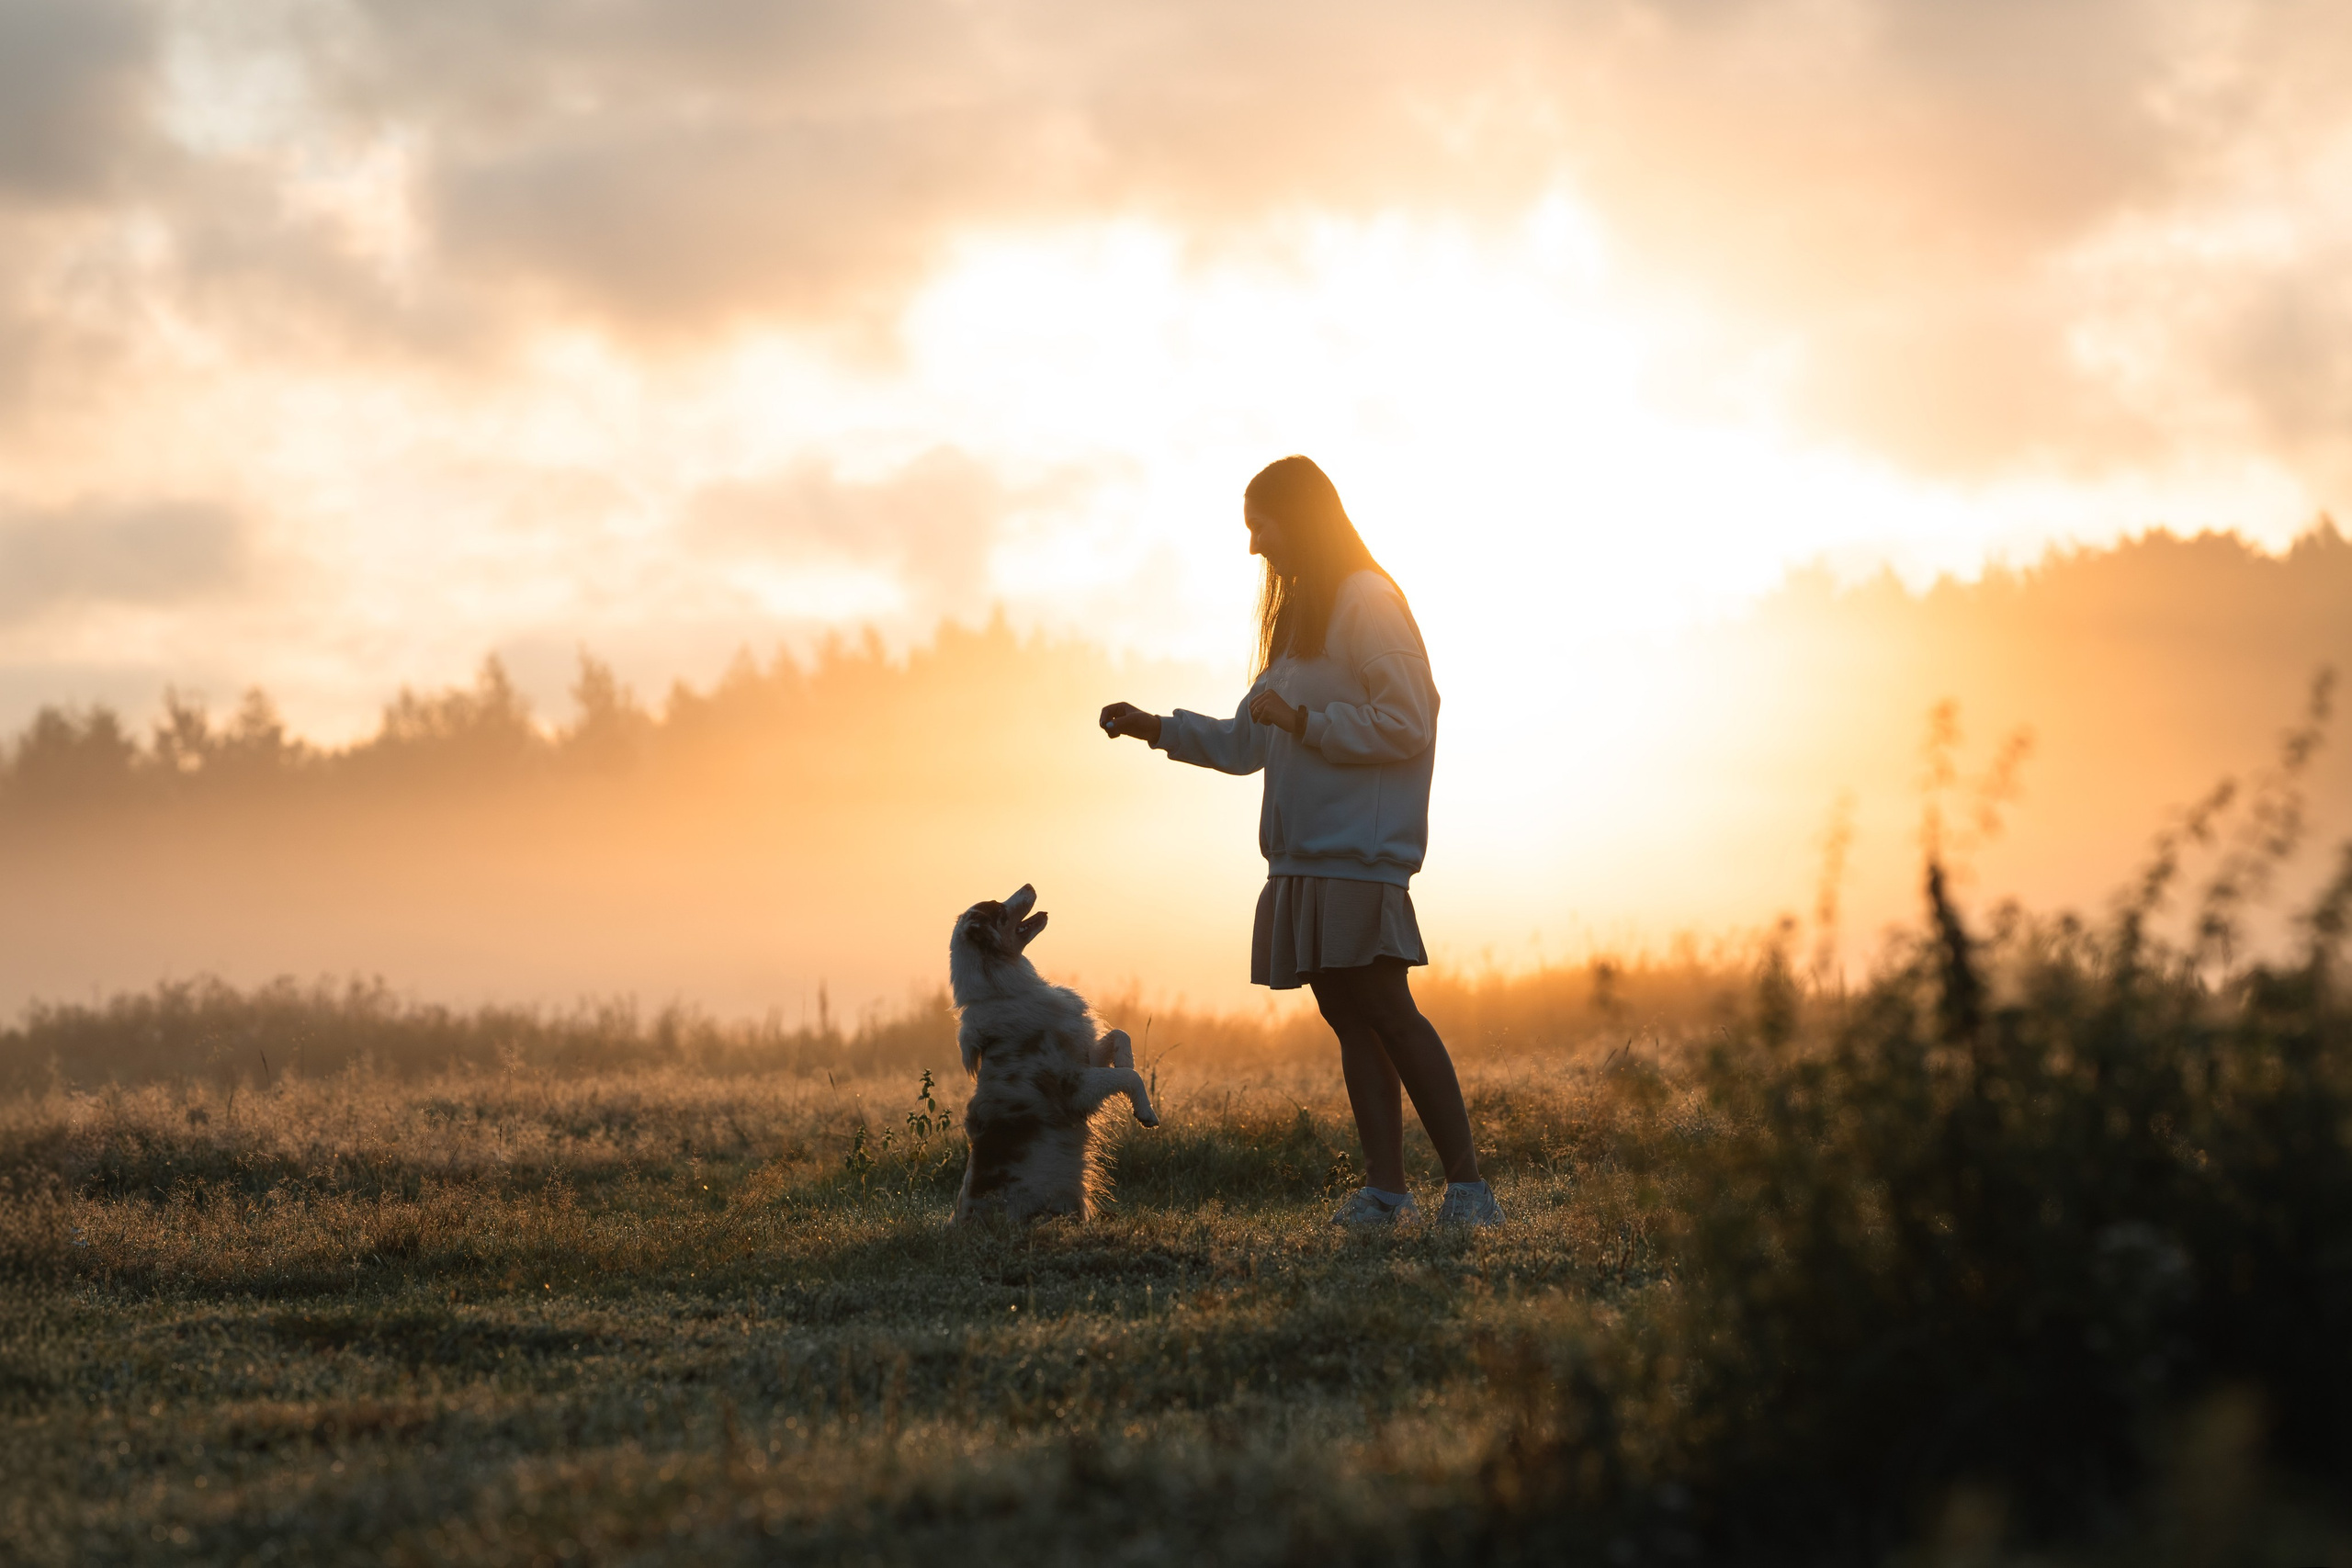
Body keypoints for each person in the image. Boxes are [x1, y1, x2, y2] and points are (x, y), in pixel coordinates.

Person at [1099, 456, 1503, 1228]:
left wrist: (1310, 722)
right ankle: (1388, 1192)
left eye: (1262, 526)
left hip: (1357, 854)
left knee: (1388, 1010)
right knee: (1350, 1017)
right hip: (1304, 857)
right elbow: (1252, 738)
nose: (1254, 546)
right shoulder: (1302, 619)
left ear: (1300, 519)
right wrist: (1156, 728)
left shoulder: (1369, 602)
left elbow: (1411, 719)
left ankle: (1470, 1190)